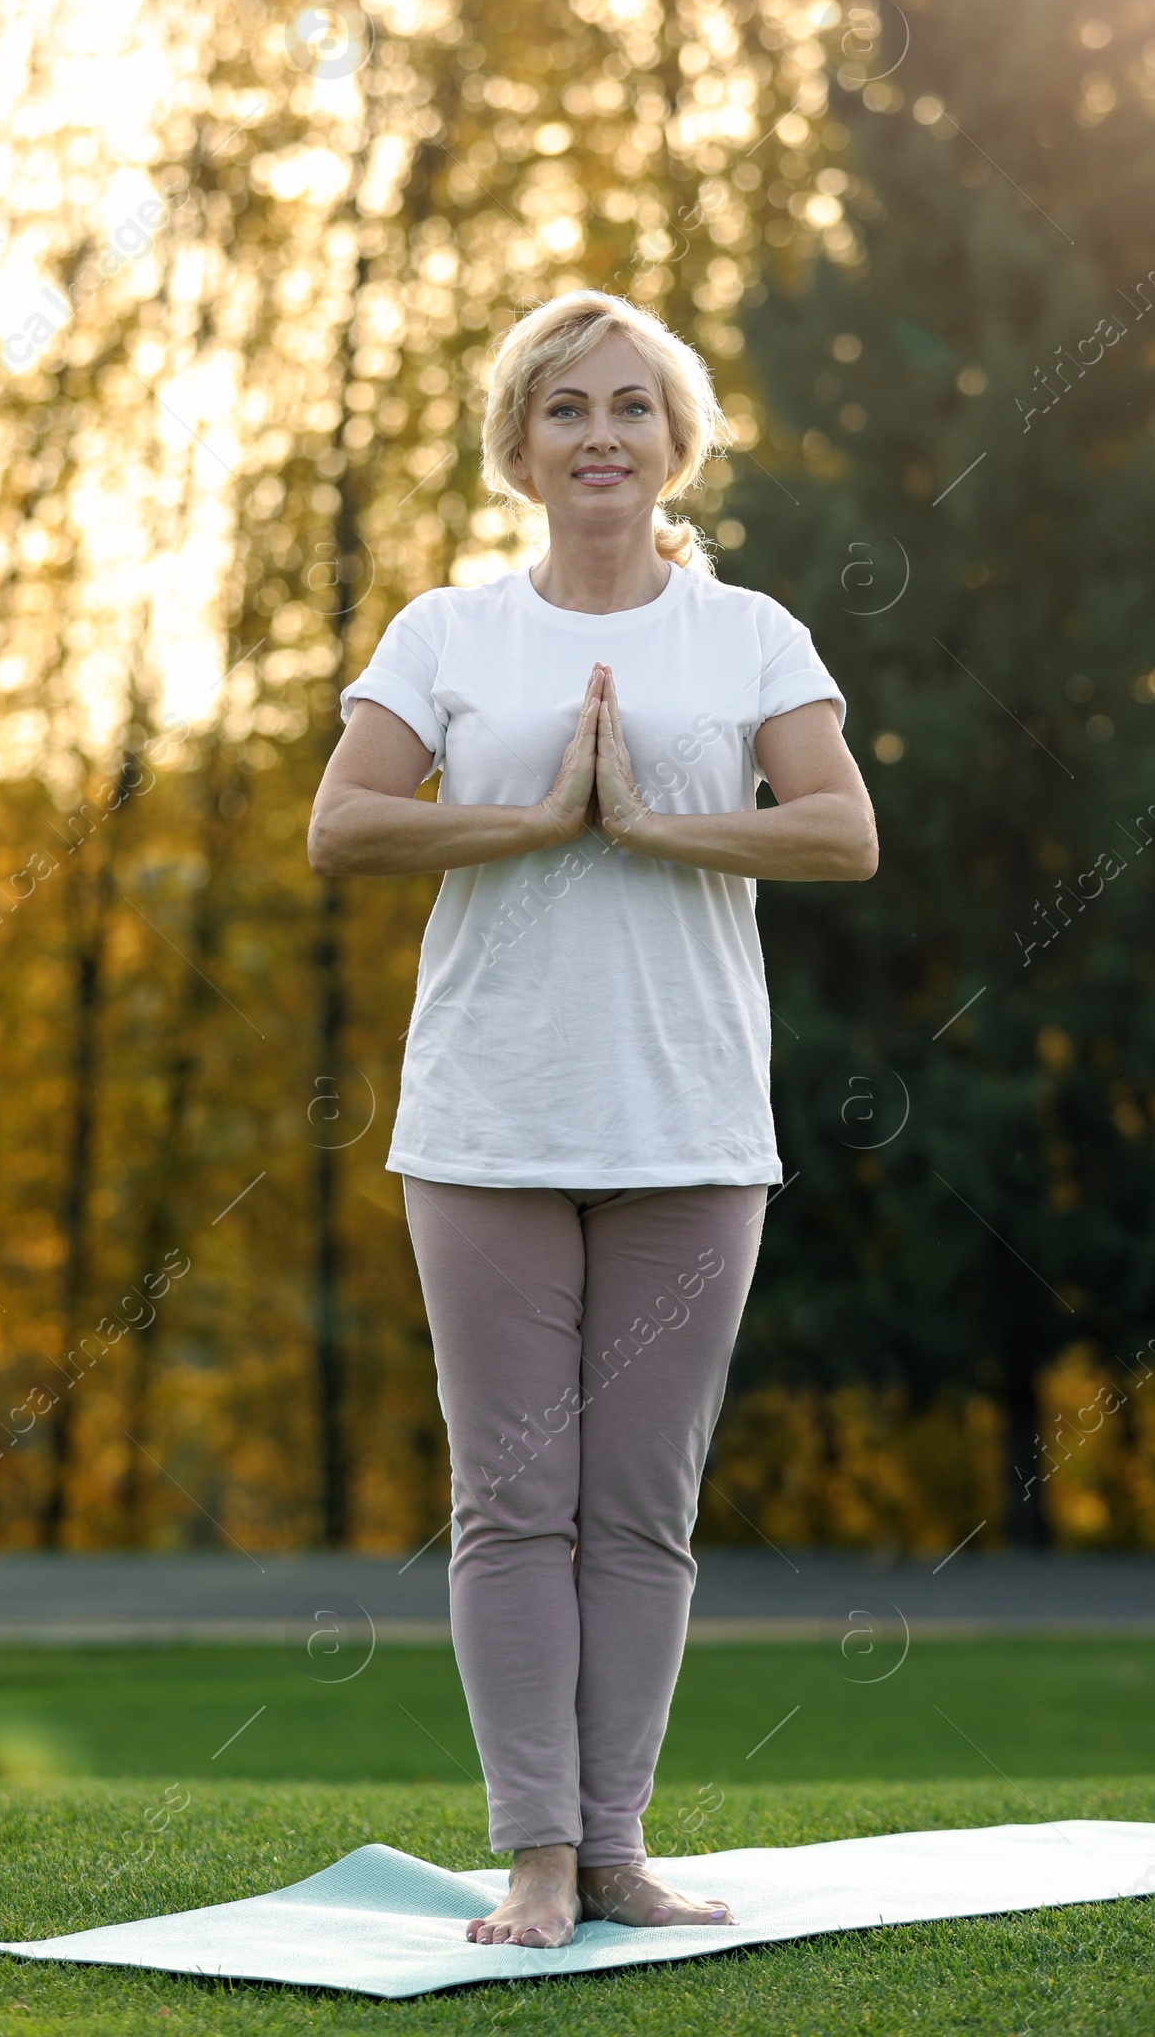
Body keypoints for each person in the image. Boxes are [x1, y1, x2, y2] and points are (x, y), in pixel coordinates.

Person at [309, 291, 877, 1947]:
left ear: (677, 441)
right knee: (511, 1499)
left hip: (691, 1127)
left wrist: (651, 828)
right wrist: (532, 817)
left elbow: (841, 833)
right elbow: (343, 827)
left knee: (639, 1505)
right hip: (487, 1125)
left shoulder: (750, 634)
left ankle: (617, 1848)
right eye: (566, 409)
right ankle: (537, 1855)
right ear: (518, 446)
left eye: (633, 406)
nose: (602, 436)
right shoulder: (446, 635)